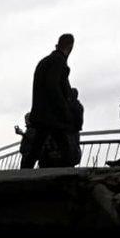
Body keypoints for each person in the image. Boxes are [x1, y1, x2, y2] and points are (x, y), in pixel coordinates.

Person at [20, 33, 77, 169]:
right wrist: (64, 109)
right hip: (53, 115)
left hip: (41, 114)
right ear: (70, 47)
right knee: (64, 147)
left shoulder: (45, 61)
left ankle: (24, 173)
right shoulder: (58, 61)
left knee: (36, 147)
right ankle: (71, 175)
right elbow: (53, 86)